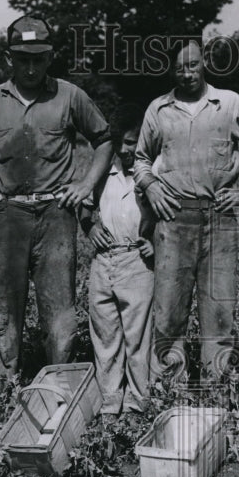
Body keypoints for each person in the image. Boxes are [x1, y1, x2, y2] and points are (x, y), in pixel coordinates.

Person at [0, 16, 113, 388]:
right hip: (5, 214)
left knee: (60, 312)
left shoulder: (69, 95)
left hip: (55, 214)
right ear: (8, 58)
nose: (30, 67)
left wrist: (84, 184)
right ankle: (4, 391)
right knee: (4, 308)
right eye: (22, 58)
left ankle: (58, 390)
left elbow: (104, 140)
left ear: (51, 57)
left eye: (39, 58)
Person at [134, 41, 239, 387]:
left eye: (193, 65)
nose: (187, 73)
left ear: (204, 62)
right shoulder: (158, 110)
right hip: (173, 218)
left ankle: (219, 392)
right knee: (169, 313)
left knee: (219, 312)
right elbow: (141, 159)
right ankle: (169, 392)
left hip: (220, 219)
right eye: (179, 68)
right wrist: (152, 187)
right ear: (171, 70)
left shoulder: (229, 104)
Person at [80, 126, 155, 416]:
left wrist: (154, 241)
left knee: (137, 338)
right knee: (105, 335)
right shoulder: (102, 173)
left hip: (137, 261)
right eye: (118, 144)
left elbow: (169, 215)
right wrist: (90, 226)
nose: (124, 150)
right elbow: (84, 207)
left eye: (131, 142)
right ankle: (110, 404)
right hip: (103, 261)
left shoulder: (152, 174)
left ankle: (138, 405)